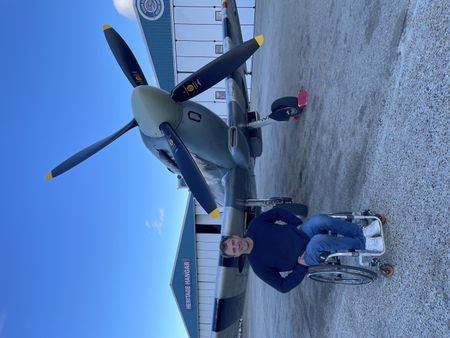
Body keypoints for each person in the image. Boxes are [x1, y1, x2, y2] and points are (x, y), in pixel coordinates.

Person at [219, 207, 383, 293]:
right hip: (304, 256)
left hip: (300, 232)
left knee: (319, 219)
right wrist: (301, 267)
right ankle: (365, 245)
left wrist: (294, 222)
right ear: (237, 255)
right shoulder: (258, 266)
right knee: (318, 241)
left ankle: (361, 233)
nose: (237, 246)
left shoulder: (255, 226)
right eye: (234, 250)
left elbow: (276, 212)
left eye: (233, 242)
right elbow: (282, 286)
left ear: (235, 236)